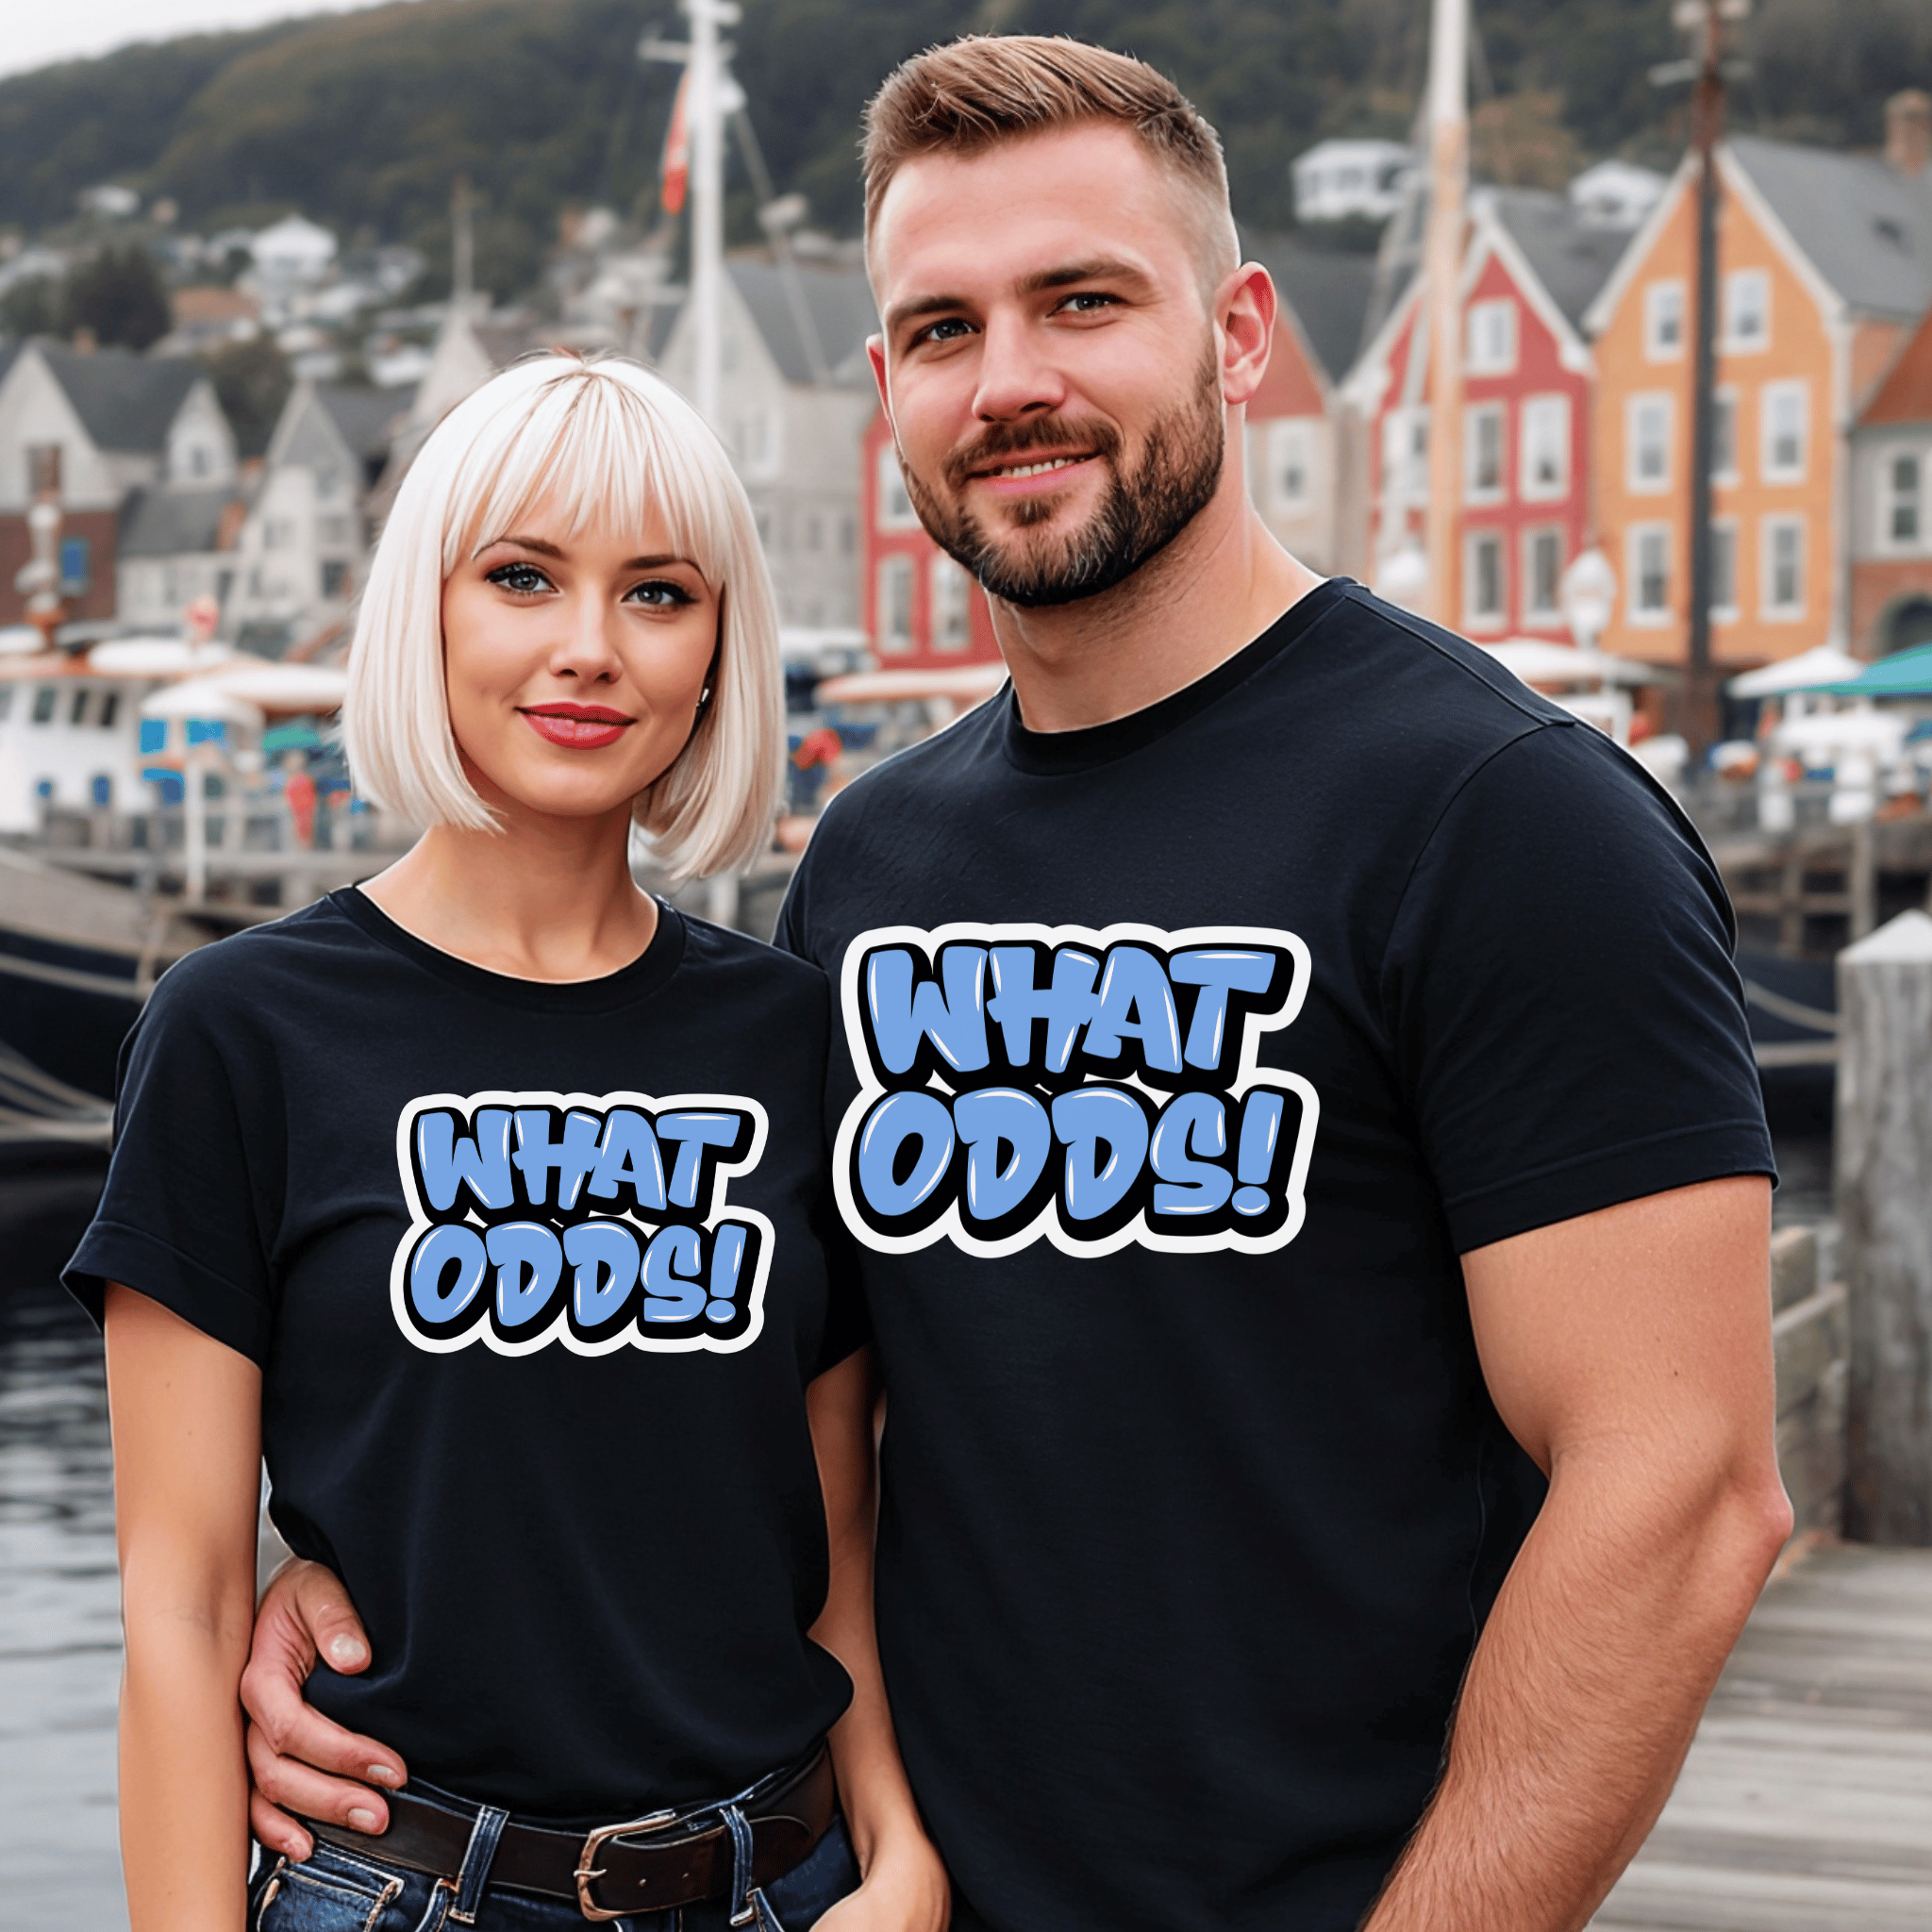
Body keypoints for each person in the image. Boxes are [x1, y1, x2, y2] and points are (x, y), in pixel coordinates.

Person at [240, 37, 1794, 1932]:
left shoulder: (1501, 816)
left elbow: (1680, 1493)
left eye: (1082, 301)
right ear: (887, 387)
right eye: (944, 328)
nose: (1011, 382)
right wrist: (346, 1594)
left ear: (1237, 333)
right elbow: (738, 1407)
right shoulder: (873, 864)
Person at [65, 354, 947, 1932]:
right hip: (406, 1886)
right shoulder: (238, 1031)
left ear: (717, 651)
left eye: (658, 593)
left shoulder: (793, 1035)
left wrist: (901, 1851)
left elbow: (831, 1543)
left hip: (784, 1881)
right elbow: (181, 1608)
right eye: (523, 577)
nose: (589, 646)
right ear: (429, 609)